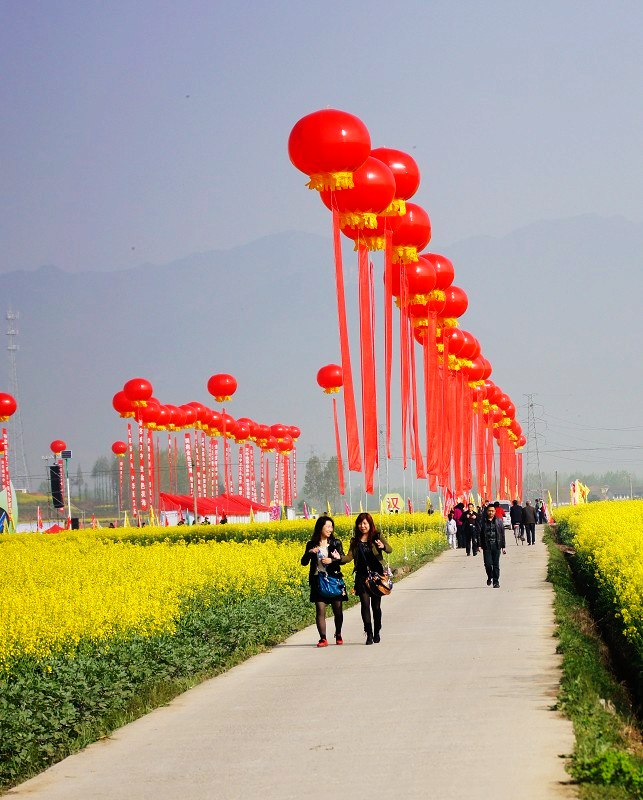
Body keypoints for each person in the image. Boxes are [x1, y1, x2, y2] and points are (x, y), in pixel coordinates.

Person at [341, 512, 392, 645]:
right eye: (360, 523)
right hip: (362, 577)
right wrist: (337, 559)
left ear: (370, 524)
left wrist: (382, 546)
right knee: (364, 605)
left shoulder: (377, 536)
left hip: (376, 577)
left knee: (376, 606)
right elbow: (349, 557)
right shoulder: (355, 541)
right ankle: (368, 633)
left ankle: (377, 631)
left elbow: (389, 549)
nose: (362, 526)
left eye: (365, 523)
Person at [301, 515, 347, 647]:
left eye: (331, 526)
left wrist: (332, 560)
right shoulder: (311, 544)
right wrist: (309, 553)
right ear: (320, 527)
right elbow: (303, 563)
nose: (330, 529)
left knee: (338, 610)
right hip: (318, 581)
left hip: (334, 580)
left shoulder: (335, 543)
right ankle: (323, 638)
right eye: (327, 526)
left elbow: (341, 560)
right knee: (320, 610)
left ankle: (338, 633)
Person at [477, 504, 507, 588]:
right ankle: (489, 576)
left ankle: (496, 581)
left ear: (495, 512)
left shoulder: (499, 521)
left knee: (496, 564)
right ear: (487, 511)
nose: (491, 512)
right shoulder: (482, 522)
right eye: (489, 511)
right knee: (488, 564)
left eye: (492, 511)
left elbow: (502, 534)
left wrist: (503, 546)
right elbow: (479, 534)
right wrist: (479, 545)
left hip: (496, 545)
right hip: (486, 546)